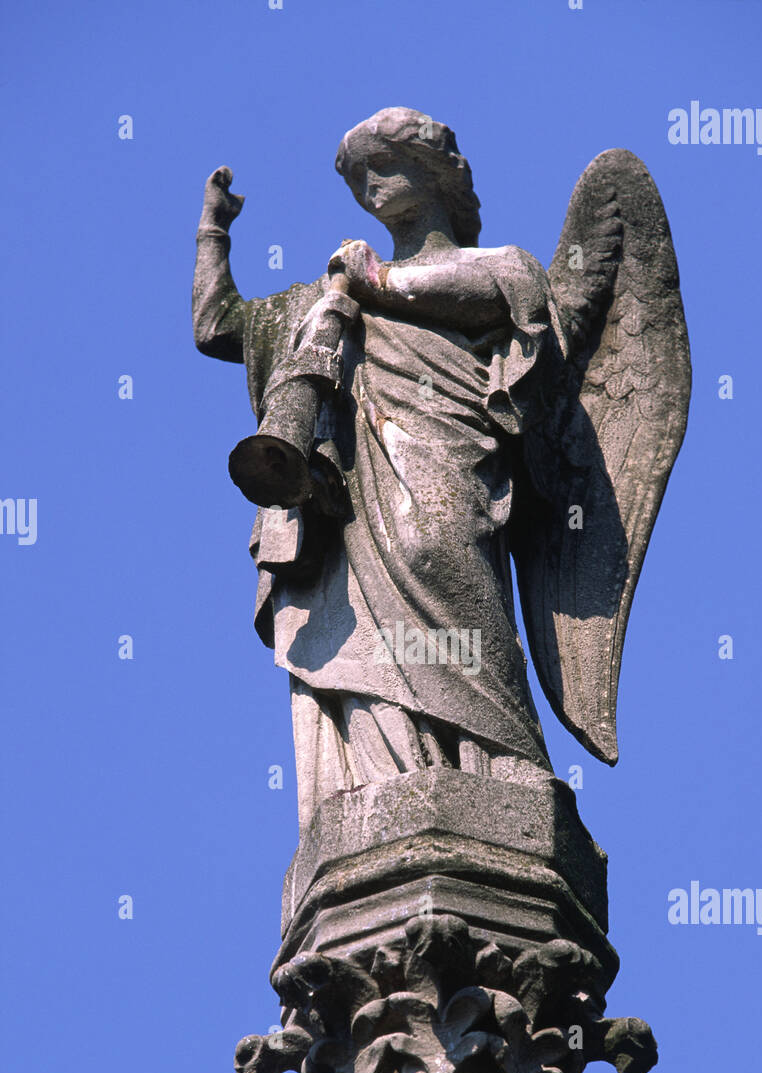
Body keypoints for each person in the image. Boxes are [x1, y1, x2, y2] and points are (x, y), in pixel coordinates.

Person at [193, 107, 561, 830]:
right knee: (353, 625)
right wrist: (214, 232)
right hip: (353, 500)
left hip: (446, 469)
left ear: (435, 173)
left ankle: (508, 768)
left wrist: (369, 282)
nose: (370, 185)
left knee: (444, 566)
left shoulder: (501, 268)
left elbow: (502, 301)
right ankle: (384, 785)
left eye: (383, 164)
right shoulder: (325, 296)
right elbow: (218, 325)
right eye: (359, 175)